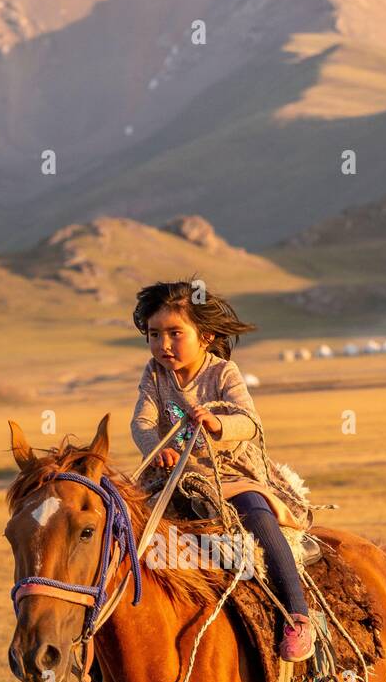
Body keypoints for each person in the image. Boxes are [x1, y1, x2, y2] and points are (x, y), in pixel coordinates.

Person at [130, 280, 314, 661]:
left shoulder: (224, 372)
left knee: (258, 516)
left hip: (228, 472)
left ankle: (297, 614)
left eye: (175, 334)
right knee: (124, 527)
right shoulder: (154, 374)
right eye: (154, 334)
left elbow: (249, 421)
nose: (163, 345)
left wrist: (217, 424)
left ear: (206, 335)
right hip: (174, 474)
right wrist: (155, 450)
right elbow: (142, 423)